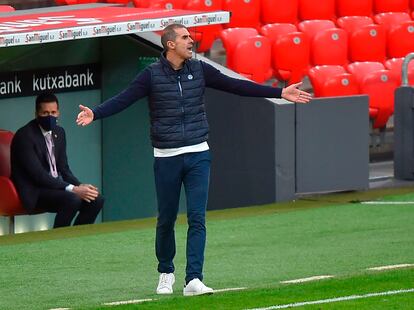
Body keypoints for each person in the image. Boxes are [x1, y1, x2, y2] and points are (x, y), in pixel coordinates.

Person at [76, 23, 312, 296]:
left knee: (197, 218)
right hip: (167, 157)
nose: (191, 41)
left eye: (190, 37)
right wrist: (96, 113)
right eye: (185, 37)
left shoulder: (200, 69)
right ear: (170, 44)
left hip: (199, 154)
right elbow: (124, 99)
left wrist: (279, 92)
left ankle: (194, 279)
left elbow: (236, 86)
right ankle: (166, 273)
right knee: (166, 219)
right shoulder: (150, 75)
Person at [11, 92, 103, 228]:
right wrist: (74, 189)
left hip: (56, 187)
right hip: (36, 191)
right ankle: (58, 240)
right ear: (36, 114)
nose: (50, 117)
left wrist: (80, 186)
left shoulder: (59, 132)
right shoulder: (24, 136)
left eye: (53, 112)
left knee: (96, 199)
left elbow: (64, 168)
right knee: (72, 199)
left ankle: (79, 238)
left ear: (58, 112)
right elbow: (39, 176)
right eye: (45, 113)